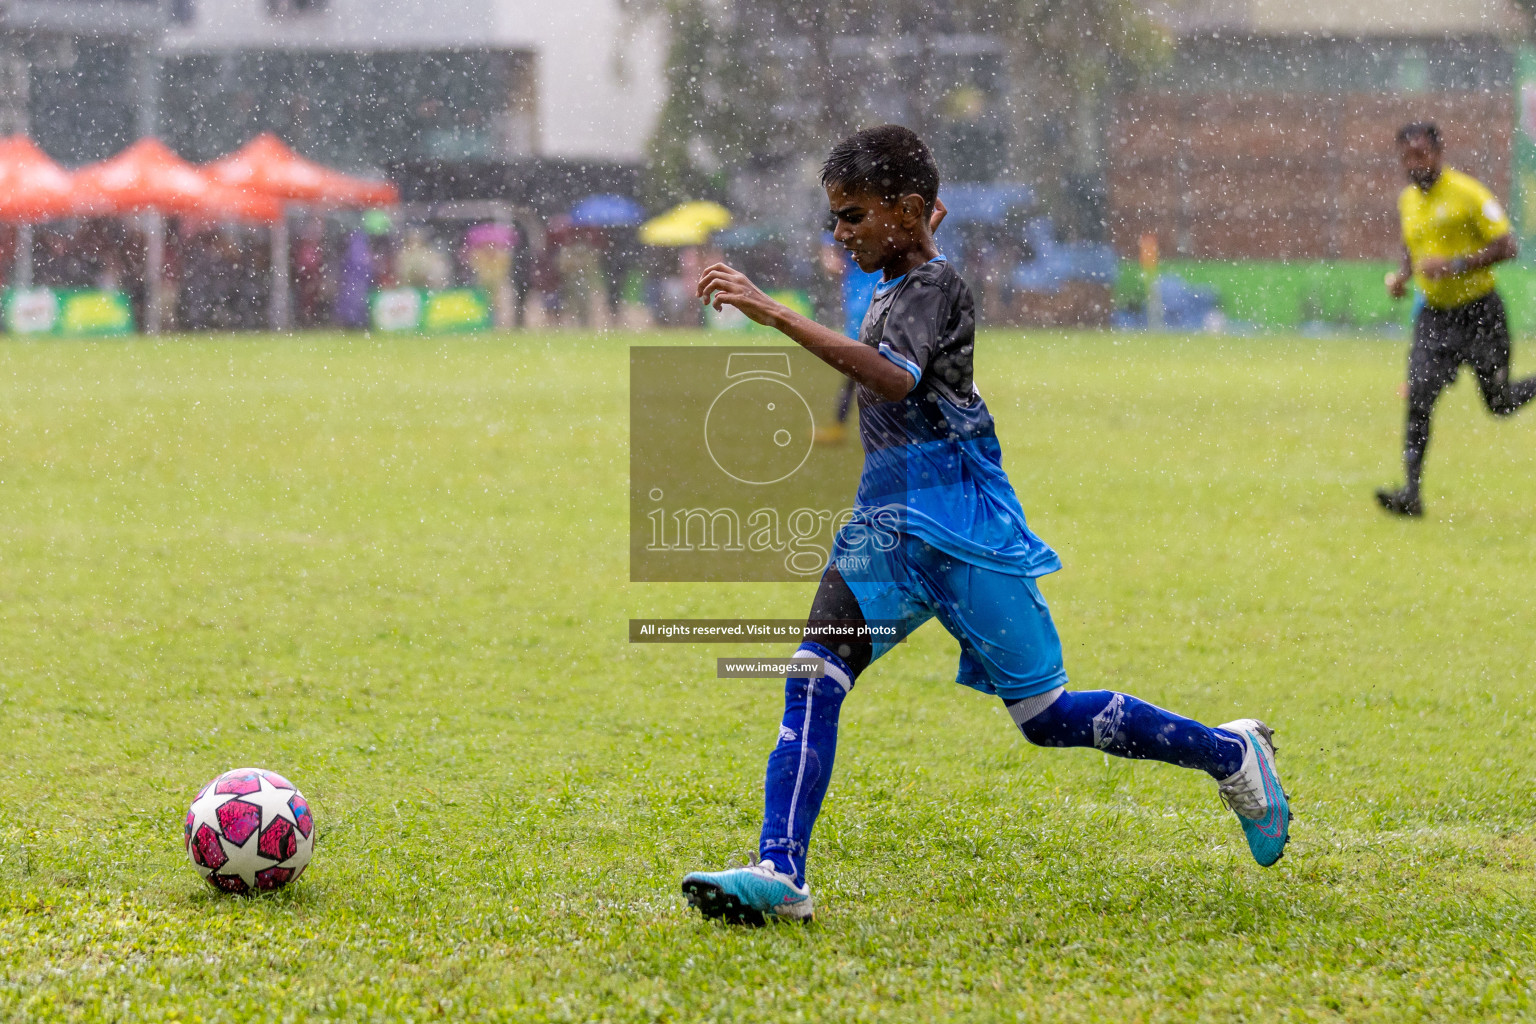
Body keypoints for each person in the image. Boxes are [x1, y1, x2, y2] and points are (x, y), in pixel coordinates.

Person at [682, 125, 1290, 926]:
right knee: (812, 675)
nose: (840, 233)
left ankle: (1231, 755)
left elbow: (897, 382)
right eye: (834, 217)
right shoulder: (885, 281)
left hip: (961, 523)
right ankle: (780, 868)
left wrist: (773, 314)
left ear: (906, 211)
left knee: (1048, 718)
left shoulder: (937, 284)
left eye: (854, 215)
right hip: (886, 525)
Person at [1378, 122, 1536, 516]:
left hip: (1481, 313)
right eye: (1407, 157)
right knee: (1419, 392)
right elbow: (1411, 244)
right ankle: (1411, 494)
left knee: (1498, 403)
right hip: (1435, 318)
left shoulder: (1468, 194)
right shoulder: (1407, 201)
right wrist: (1402, 276)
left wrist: (1457, 265)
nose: (1414, 164)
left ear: (1438, 153)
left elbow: (1508, 245)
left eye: (1421, 154)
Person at [813, 201, 945, 444]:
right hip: (870, 306)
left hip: (872, 307)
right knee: (868, 370)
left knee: (867, 369)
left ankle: (848, 427)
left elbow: (833, 265)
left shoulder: (863, 241)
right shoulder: (869, 236)